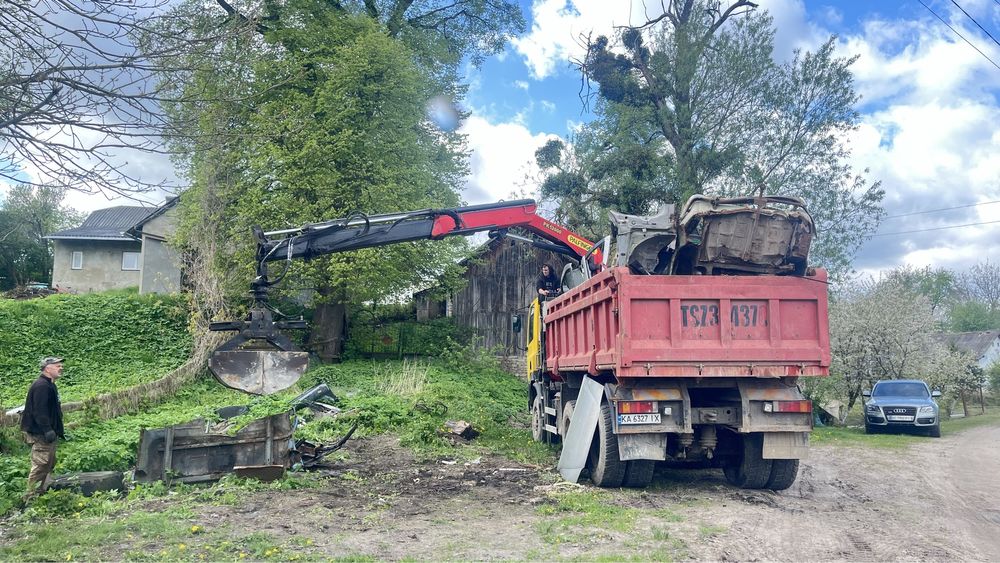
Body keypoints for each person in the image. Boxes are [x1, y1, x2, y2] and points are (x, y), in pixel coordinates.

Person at [21, 356, 65, 498]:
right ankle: (30, 497)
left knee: (49, 463)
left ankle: (42, 493)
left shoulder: (50, 385)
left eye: (60, 365)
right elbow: (39, 411)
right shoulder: (41, 386)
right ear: (47, 368)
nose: (61, 368)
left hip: (48, 431)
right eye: (57, 366)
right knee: (41, 463)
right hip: (41, 432)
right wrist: (47, 429)